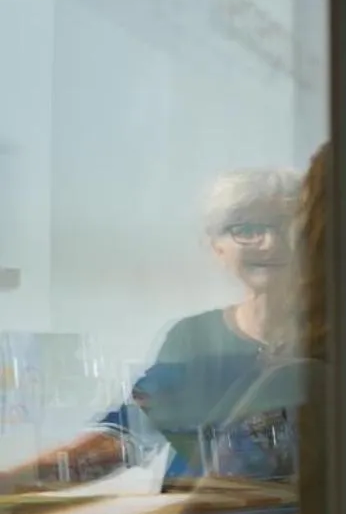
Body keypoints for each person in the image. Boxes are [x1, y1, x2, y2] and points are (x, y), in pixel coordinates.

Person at [0, 168, 302, 494]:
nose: (270, 243)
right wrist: (13, 481)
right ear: (216, 247)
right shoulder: (193, 339)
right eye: (246, 229)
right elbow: (124, 440)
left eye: (286, 226)